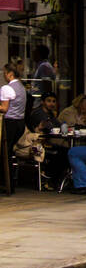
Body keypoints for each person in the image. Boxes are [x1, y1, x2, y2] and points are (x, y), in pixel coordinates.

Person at [0, 63, 28, 191]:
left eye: (5, 73)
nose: (4, 76)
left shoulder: (7, 88)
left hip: (10, 123)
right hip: (20, 123)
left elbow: (4, 108)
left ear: (10, 74)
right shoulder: (22, 87)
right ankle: (9, 183)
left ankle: (6, 183)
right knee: (9, 152)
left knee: (4, 153)